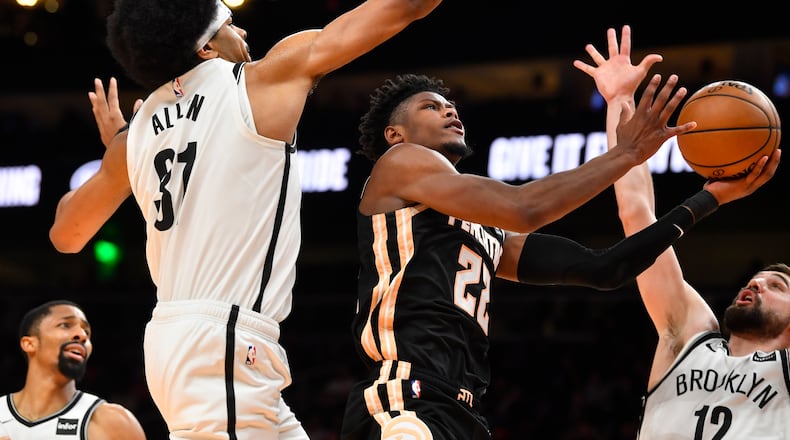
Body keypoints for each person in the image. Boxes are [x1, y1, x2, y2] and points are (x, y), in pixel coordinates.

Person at [48, 0, 444, 438]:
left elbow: (66, 234)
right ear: (206, 49)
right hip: (224, 339)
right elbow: (403, 8)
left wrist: (120, 152)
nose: (246, 36)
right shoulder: (259, 81)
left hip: (184, 337)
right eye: (232, 26)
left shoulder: (139, 128)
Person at [336, 31, 722, 435]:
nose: (451, 112)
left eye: (452, 105)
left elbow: (602, 269)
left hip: (462, 411)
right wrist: (625, 154)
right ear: (395, 134)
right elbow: (525, 208)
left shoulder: (482, 232)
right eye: (432, 107)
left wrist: (708, 198)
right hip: (405, 400)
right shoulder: (399, 162)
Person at [575, 25, 786, 438]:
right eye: (758, 279)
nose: (757, 284)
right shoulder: (690, 332)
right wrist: (619, 99)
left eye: (777, 285)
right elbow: (637, 215)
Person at [0, 300, 146, 440]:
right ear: (30, 344)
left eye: (87, 332)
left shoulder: (113, 423)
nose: (82, 335)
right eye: (65, 325)